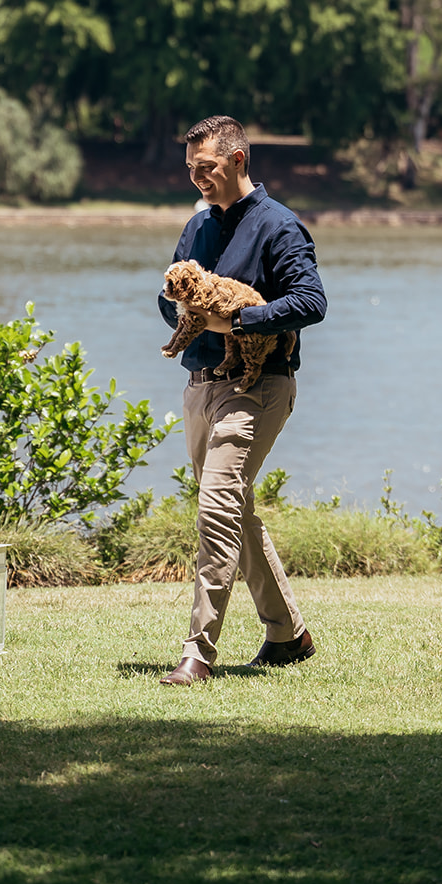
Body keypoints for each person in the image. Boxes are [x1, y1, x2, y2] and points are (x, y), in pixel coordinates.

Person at [156, 116, 327, 686]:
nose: (196, 179)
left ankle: (197, 653)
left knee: (216, 510)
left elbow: (311, 302)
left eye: (204, 168)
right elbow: (168, 301)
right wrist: (187, 317)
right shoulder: (197, 226)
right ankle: (288, 635)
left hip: (259, 386)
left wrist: (240, 318)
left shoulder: (280, 227)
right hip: (200, 386)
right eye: (189, 170)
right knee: (234, 510)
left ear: (237, 161)